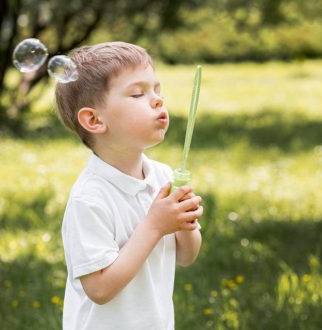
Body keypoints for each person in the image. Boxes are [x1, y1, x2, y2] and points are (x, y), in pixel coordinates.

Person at [56, 41, 204, 329]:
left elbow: (187, 257)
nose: (157, 100)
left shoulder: (162, 177)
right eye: (137, 94)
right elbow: (99, 289)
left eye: (156, 91)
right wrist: (155, 225)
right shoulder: (91, 198)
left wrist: (184, 224)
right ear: (94, 120)